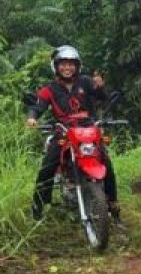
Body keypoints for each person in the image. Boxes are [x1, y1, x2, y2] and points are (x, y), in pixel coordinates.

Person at [26, 45, 119, 223]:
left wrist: (100, 87)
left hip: (88, 130)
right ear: (56, 66)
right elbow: (37, 106)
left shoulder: (85, 82)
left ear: (77, 66)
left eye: (71, 64)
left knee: (106, 164)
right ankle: (38, 208)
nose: (67, 68)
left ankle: (114, 207)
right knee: (47, 167)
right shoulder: (49, 89)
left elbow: (103, 97)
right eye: (63, 64)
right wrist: (32, 118)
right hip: (63, 131)